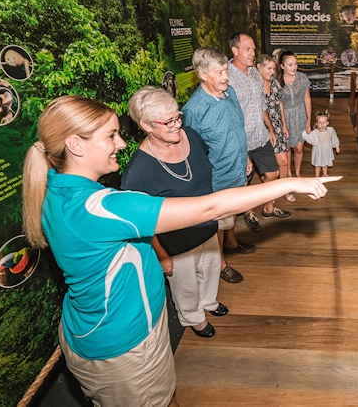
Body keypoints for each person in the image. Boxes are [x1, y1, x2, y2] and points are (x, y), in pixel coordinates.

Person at [21, 95, 337, 407]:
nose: (120, 143)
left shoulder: (55, 188)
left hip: (95, 330)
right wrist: (289, 184)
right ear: (76, 145)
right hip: (126, 341)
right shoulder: (102, 208)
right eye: (111, 135)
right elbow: (209, 207)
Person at [121, 86, 225, 338]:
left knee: (210, 272)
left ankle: (209, 302)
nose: (177, 125)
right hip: (176, 244)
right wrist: (162, 255)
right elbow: (141, 225)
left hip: (207, 228)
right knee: (186, 286)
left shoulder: (190, 135)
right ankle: (194, 317)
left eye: (178, 116)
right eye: (168, 122)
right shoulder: (137, 172)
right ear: (146, 126)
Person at [181, 47, 250, 284]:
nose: (226, 77)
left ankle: (231, 243)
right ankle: (221, 265)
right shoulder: (194, 110)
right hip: (217, 180)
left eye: (226, 70)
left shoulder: (229, 92)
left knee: (230, 218)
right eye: (219, 72)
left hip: (238, 169)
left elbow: (237, 129)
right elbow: (193, 153)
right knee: (219, 224)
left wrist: (246, 158)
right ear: (202, 74)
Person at [228, 32, 292, 227]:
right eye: (248, 49)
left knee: (272, 174)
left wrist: (271, 129)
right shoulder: (228, 78)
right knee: (244, 181)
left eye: (254, 49)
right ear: (235, 50)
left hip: (261, 136)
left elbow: (261, 106)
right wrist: (243, 152)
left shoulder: (255, 73)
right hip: (242, 140)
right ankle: (248, 212)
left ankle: (268, 208)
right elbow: (230, 116)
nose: (252, 53)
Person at [256, 54, 294, 202]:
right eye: (269, 68)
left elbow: (280, 104)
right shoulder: (253, 86)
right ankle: (268, 194)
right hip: (261, 129)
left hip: (277, 127)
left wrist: (284, 125)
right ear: (259, 67)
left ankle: (282, 191)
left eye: (273, 68)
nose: (272, 72)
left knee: (283, 161)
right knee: (267, 168)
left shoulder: (274, 83)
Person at [278, 50, 312, 177]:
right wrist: (283, 125)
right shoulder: (277, 81)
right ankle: (289, 173)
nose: (294, 67)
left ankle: (297, 172)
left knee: (299, 148)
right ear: (282, 66)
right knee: (286, 148)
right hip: (284, 117)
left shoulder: (302, 78)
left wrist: (309, 120)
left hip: (300, 115)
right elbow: (279, 104)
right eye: (290, 65)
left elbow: (307, 99)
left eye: (295, 64)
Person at [302, 111, 340, 177]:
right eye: (319, 122)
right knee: (318, 165)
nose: (322, 124)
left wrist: (336, 146)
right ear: (316, 124)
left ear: (327, 123)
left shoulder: (330, 130)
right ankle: (317, 176)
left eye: (324, 122)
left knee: (325, 164)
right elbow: (310, 139)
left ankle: (325, 174)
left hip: (326, 151)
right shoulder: (314, 133)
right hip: (318, 152)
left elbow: (334, 138)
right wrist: (304, 133)